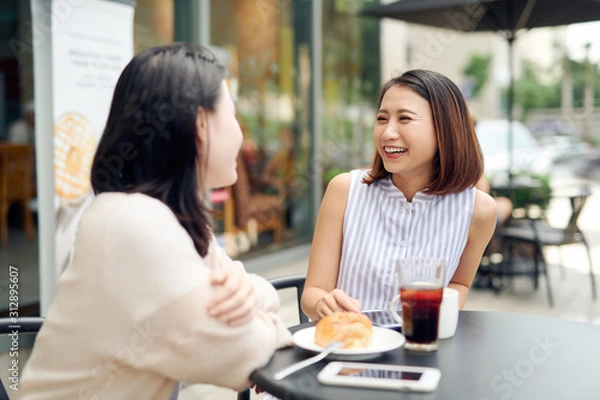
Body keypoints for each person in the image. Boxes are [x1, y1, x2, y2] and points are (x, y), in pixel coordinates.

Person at [16, 44, 292, 399]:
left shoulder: (171, 222)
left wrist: (249, 290)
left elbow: (241, 288)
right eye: (233, 114)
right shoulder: (132, 226)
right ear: (201, 124)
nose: (241, 134)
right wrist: (265, 316)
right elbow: (239, 353)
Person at [301, 70, 498, 321]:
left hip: (421, 348)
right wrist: (323, 304)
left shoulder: (478, 211)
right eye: (382, 119)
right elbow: (312, 293)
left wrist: (429, 319)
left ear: (445, 129)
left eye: (404, 119)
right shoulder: (344, 191)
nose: (387, 133)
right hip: (351, 347)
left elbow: (459, 284)